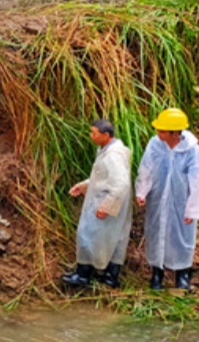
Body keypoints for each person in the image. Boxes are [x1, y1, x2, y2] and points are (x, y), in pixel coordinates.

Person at [136, 107, 199, 291]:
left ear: (175, 132)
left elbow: (197, 180)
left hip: (181, 200)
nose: (158, 133)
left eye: (162, 130)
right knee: (156, 232)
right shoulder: (155, 144)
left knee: (182, 236)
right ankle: (156, 273)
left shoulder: (191, 149)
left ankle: (182, 274)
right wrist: (142, 191)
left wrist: (192, 209)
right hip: (158, 198)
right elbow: (146, 168)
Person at [60, 119, 133, 289]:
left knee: (88, 234)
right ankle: (108, 276)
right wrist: (85, 185)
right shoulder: (107, 151)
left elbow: (121, 183)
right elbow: (104, 177)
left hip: (108, 200)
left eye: (94, 133)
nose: (91, 136)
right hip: (108, 198)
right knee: (112, 237)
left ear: (106, 135)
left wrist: (106, 206)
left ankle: (83, 274)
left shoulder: (114, 155)